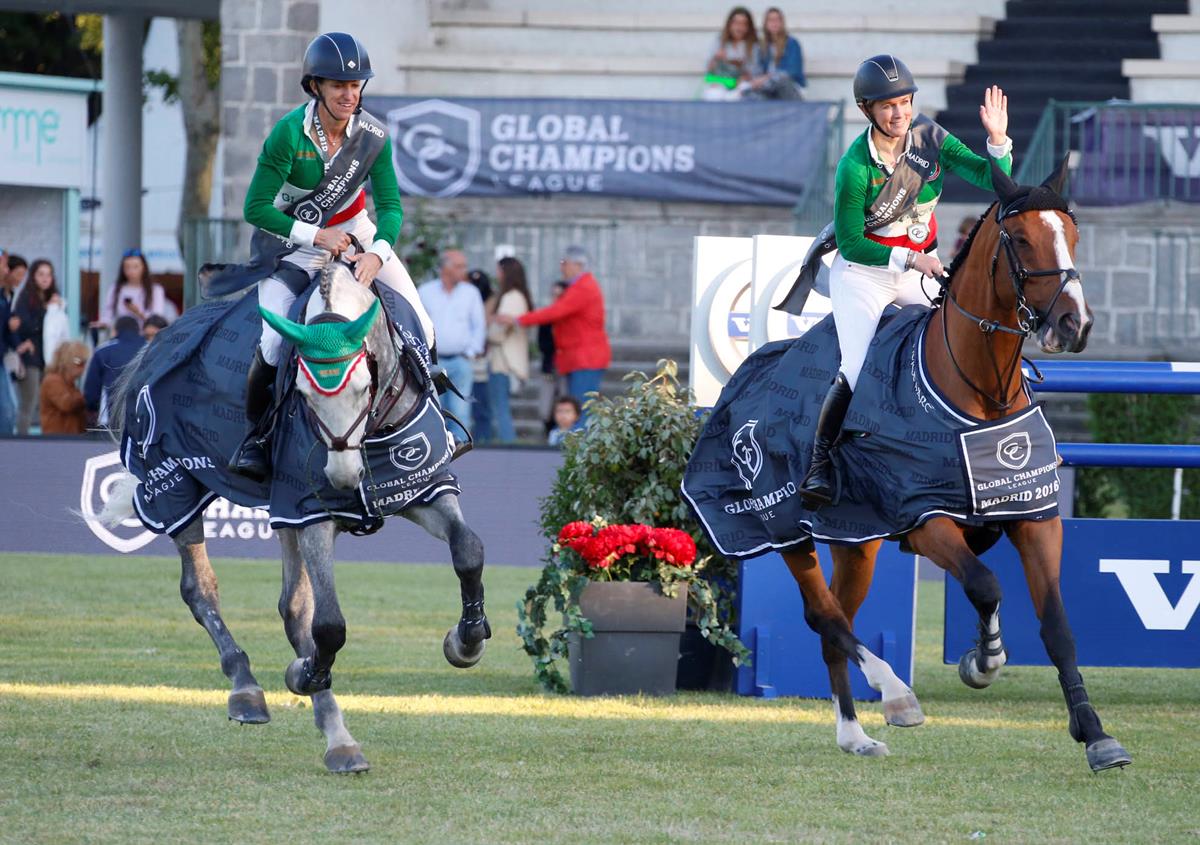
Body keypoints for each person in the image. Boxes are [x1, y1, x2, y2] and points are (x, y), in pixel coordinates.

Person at [796, 55, 1013, 507]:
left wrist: (997, 142)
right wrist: (913, 259)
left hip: (920, 265)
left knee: (960, 336)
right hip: (864, 275)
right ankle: (819, 464)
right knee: (856, 368)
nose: (899, 114)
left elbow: (988, 179)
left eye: (905, 102)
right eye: (887, 106)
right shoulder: (854, 168)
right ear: (867, 110)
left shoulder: (930, 137)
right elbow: (853, 244)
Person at [227, 31, 437, 481]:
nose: (350, 93)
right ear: (315, 87)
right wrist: (317, 235)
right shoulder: (288, 134)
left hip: (358, 229)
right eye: (339, 85)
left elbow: (392, 208)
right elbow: (255, 209)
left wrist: (377, 255)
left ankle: (424, 419)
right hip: (291, 241)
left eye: (356, 84)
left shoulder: (373, 136)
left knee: (424, 322)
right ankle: (258, 437)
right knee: (272, 339)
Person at [498, 246, 611, 425]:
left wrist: (519, 320)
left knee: (581, 410)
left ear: (578, 265)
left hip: (585, 358)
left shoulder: (584, 287)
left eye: (564, 263)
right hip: (578, 358)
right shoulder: (580, 287)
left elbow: (556, 312)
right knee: (578, 409)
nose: (562, 268)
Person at [418, 250, 485, 442]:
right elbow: (417, 324)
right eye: (459, 266)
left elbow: (478, 325)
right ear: (445, 268)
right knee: (435, 409)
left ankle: (462, 448)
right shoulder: (425, 291)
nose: (464, 271)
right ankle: (438, 449)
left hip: (460, 360)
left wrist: (470, 352)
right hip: (434, 362)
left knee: (461, 410)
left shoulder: (470, 293)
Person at [10, 260, 63, 436]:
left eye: (48, 274)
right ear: (33, 276)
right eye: (41, 274)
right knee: (28, 402)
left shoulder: (54, 298)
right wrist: (46, 311)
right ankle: (22, 441)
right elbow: (24, 325)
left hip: (48, 358)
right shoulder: (26, 297)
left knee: (45, 403)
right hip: (31, 358)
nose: (45, 278)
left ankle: (45, 440)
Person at [486, 257, 532, 443]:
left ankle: (509, 445)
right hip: (506, 361)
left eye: (499, 270)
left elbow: (498, 333)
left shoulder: (511, 297)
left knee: (501, 409)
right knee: (501, 407)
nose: (497, 275)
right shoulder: (519, 296)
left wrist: (489, 326)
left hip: (503, 362)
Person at [84, 315, 145, 427]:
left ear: (115, 331)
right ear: (138, 331)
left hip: (111, 418)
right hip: (143, 419)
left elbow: (91, 392)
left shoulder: (103, 351)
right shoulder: (150, 348)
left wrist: (91, 409)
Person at [98, 249, 169, 331]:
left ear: (144, 267)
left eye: (135, 267)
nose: (131, 271)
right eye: (127, 267)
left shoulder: (156, 290)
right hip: (122, 334)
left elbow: (157, 320)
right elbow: (108, 314)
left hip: (145, 336)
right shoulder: (115, 289)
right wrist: (103, 323)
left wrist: (138, 312)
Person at [746, 7, 805, 100]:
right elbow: (756, 71)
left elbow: (791, 72)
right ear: (765, 24)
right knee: (749, 94)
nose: (774, 23)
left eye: (777, 19)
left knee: (781, 80)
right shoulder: (760, 46)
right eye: (770, 20)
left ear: (782, 23)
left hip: (789, 88)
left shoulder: (792, 43)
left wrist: (767, 77)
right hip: (768, 88)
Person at [703, 7, 757, 101]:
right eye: (736, 23)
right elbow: (708, 71)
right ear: (729, 24)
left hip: (741, 84)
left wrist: (743, 77)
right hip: (722, 82)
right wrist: (716, 58)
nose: (739, 27)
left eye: (743, 24)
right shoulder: (720, 41)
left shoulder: (753, 45)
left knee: (737, 95)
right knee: (713, 95)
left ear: (748, 27)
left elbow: (754, 72)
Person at [536, 280, 567, 436]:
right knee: (546, 403)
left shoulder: (570, 317)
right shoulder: (547, 316)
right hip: (550, 364)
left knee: (563, 399)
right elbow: (542, 343)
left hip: (566, 365)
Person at [39, 340, 90, 435]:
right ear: (67, 361)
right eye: (79, 362)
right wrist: (86, 397)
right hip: (56, 440)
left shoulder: (71, 385)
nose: (84, 367)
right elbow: (67, 404)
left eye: (85, 363)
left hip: (69, 439)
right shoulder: (52, 380)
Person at [468, 268, 494, 442]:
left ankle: (483, 436)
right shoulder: (465, 298)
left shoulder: (491, 301)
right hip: (466, 357)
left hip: (481, 360)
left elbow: (483, 327)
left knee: (480, 401)